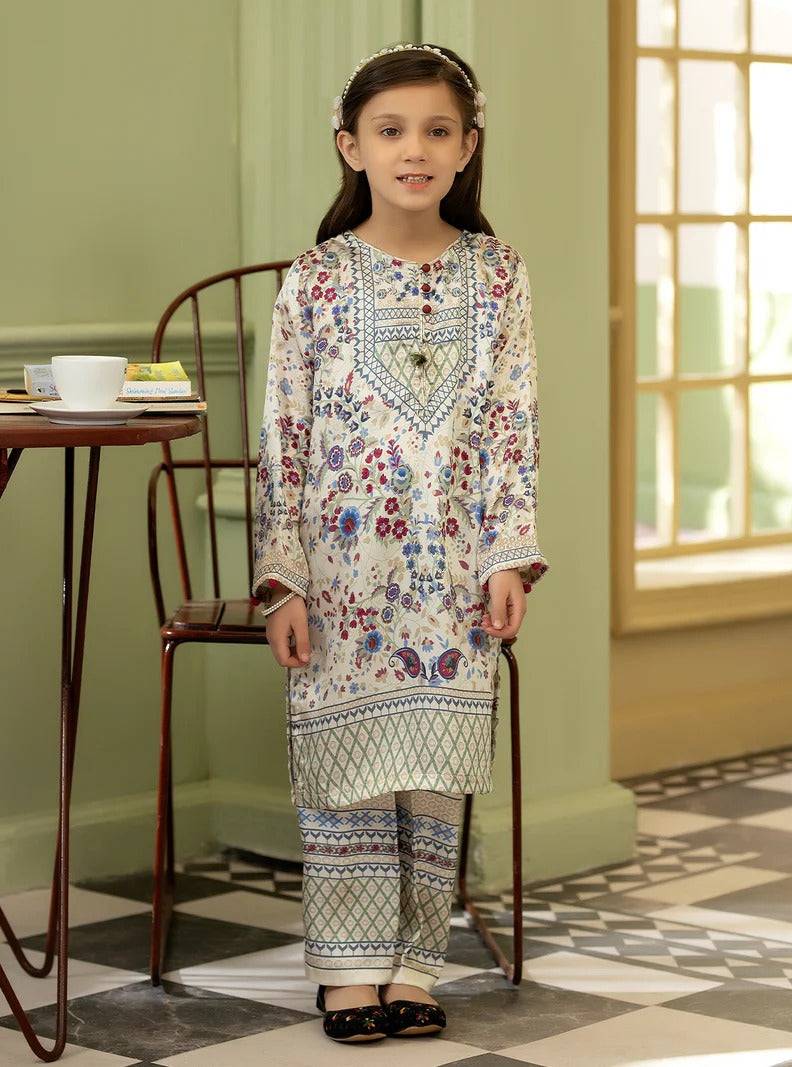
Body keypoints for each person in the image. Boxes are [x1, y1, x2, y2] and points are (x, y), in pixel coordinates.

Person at [252, 41, 550, 1044]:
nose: (413, 150)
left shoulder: (498, 275)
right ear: (351, 147)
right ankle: (346, 969)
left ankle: (416, 963)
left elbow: (514, 422)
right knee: (347, 764)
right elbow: (281, 436)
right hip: (342, 575)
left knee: (432, 767)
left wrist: (508, 553)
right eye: (390, 131)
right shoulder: (317, 281)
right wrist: (282, 578)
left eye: (434, 131)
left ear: (466, 147)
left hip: (453, 571)